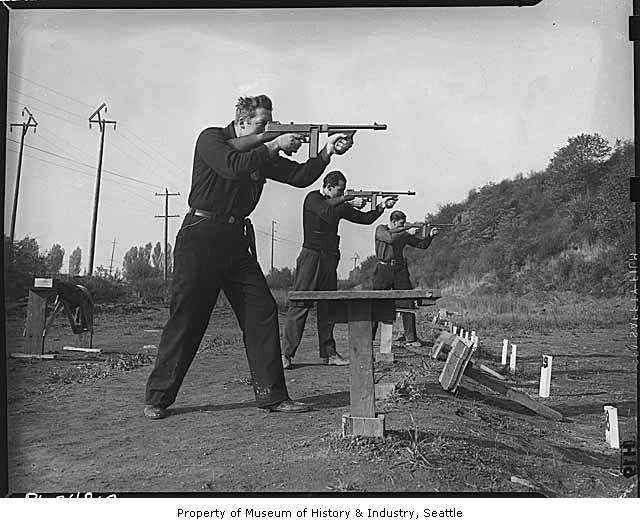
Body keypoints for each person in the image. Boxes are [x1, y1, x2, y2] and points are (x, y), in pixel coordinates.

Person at [143, 95, 353, 419]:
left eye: (271, 124)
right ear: (241, 123)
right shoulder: (211, 138)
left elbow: (299, 176)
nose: (267, 129)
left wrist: (326, 151)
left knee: (262, 310)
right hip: (200, 235)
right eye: (261, 124)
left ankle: (273, 396)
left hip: (235, 240)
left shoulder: (257, 153)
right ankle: (157, 398)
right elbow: (232, 165)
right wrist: (273, 144)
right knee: (187, 319)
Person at [282, 172, 397, 369]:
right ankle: (285, 354)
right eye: (339, 190)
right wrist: (347, 200)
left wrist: (380, 207)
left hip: (328, 258)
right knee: (300, 304)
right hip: (311, 256)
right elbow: (324, 211)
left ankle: (329, 353)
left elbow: (366, 219)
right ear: (327, 186)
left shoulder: (339, 205)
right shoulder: (313, 198)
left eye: (344, 191)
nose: (342, 193)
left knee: (328, 306)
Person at [371, 210, 439, 347]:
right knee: (377, 302)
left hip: (399, 270)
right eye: (401, 224)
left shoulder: (402, 234)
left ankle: (411, 338)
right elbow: (390, 239)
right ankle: (369, 338)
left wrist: (430, 236)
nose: (403, 226)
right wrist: (406, 232)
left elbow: (421, 245)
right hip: (383, 270)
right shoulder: (381, 229)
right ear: (393, 222)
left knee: (408, 302)